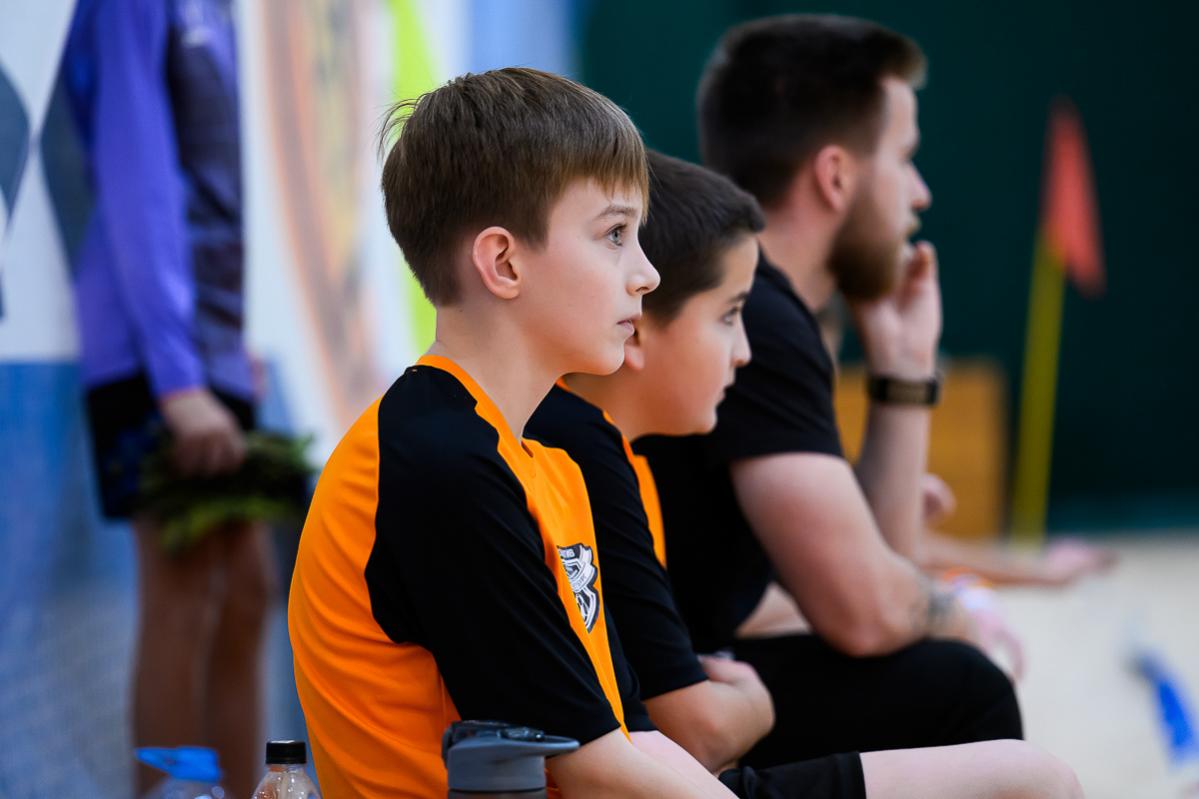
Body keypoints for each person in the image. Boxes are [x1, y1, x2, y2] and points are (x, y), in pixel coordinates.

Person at [290, 66, 849, 799]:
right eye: (615, 235)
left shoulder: (541, 464)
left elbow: (631, 738)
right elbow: (592, 773)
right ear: (503, 262)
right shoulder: (438, 464)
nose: (647, 274)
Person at [527, 150, 1082, 799]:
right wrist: (754, 703)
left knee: (968, 701)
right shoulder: (583, 448)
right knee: (1009, 749)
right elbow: (694, 730)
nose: (744, 351)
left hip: (656, 762)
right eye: (729, 316)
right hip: (654, 771)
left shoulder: (616, 453)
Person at [635, 15, 1026, 766]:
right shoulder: (765, 321)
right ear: (836, 175)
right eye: (904, 159)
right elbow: (864, 613)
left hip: (687, 683)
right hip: (666, 714)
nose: (920, 192)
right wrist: (962, 612)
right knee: (961, 687)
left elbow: (876, 575)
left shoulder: (766, 312)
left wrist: (903, 370)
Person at [63, 2, 272, 794]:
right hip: (154, 353)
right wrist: (178, 375)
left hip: (208, 344)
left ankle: (237, 789)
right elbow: (137, 175)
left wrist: (230, 339)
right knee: (185, 592)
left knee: (247, 588)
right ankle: (172, 791)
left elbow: (215, 184)